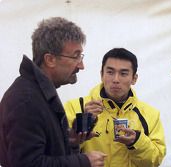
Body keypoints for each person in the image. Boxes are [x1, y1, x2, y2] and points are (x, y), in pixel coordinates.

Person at [0, 17, 106, 167]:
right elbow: (28, 164)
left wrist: (68, 141)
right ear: (50, 60)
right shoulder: (26, 101)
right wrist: (83, 161)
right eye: (76, 56)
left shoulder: (39, 93)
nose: (81, 66)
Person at [64, 48, 166, 167]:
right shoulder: (76, 107)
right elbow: (60, 153)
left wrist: (137, 141)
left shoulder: (151, 114)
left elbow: (155, 160)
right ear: (101, 74)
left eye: (123, 74)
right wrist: (83, 122)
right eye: (110, 72)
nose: (116, 80)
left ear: (134, 79)